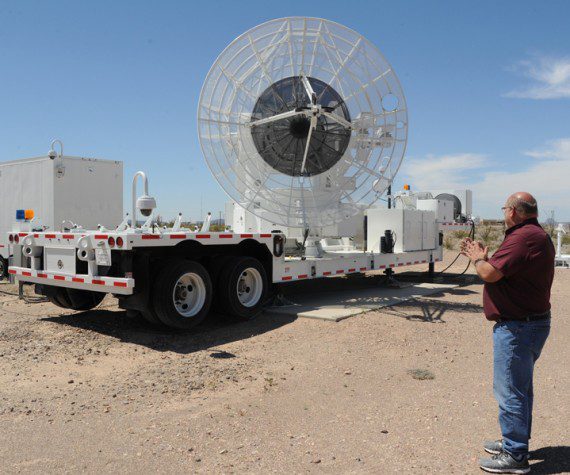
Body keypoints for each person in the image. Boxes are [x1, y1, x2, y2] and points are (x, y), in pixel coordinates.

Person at [460, 192, 554, 474]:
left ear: (513, 211)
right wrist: (486, 259)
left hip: (518, 327)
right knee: (520, 389)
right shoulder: (534, 235)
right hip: (530, 323)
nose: (503, 213)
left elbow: (490, 274)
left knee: (511, 391)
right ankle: (515, 442)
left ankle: (515, 456)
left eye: (504, 209)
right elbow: (504, 270)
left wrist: (478, 259)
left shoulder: (523, 237)